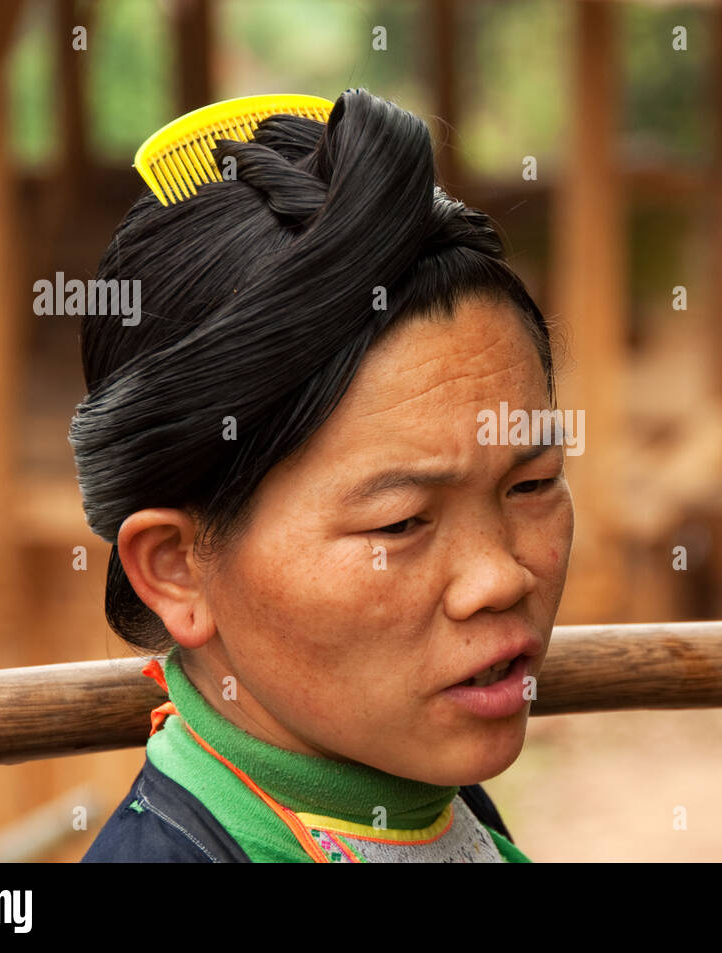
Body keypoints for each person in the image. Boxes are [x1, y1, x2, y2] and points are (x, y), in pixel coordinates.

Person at [75, 87, 573, 862]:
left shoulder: (419, 791)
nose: (499, 579)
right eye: (401, 521)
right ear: (178, 568)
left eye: (532, 484)